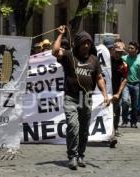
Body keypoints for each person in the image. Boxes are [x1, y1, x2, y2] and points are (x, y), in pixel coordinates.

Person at [52, 26, 109, 170]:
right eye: (83, 42)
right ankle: (72, 156)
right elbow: (55, 52)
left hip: (86, 98)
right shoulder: (69, 56)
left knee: (84, 129)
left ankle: (81, 155)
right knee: (73, 126)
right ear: (78, 44)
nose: (86, 45)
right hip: (71, 97)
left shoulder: (94, 60)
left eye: (88, 43)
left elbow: (99, 77)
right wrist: (60, 35)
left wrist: (105, 94)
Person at [103, 37, 128, 148]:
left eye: (121, 53)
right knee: (107, 114)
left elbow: (124, 79)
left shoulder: (124, 64)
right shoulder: (105, 61)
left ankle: (112, 134)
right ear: (113, 50)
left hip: (116, 93)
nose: (119, 54)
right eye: (117, 52)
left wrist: (118, 93)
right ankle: (109, 135)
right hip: (105, 93)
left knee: (114, 113)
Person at [121, 41, 140, 128]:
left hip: (136, 84)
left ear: (136, 50)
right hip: (126, 83)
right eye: (129, 48)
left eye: (132, 48)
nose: (129, 49)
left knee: (134, 104)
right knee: (125, 101)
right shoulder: (124, 58)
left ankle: (133, 122)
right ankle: (125, 121)